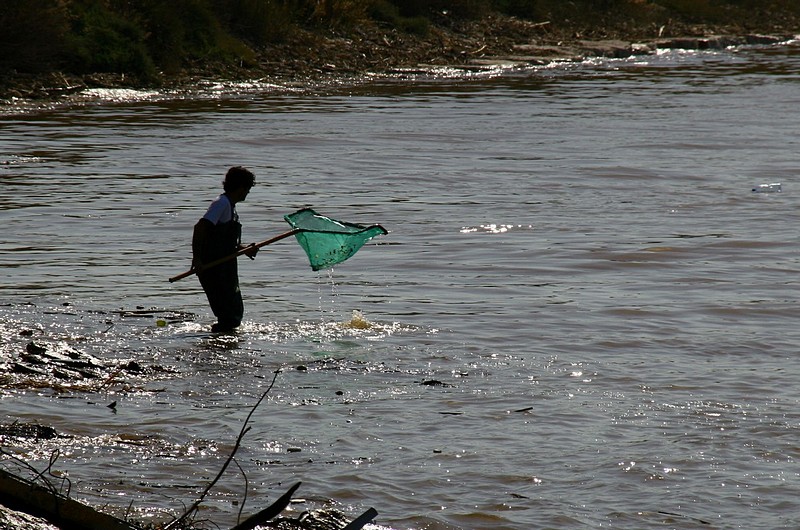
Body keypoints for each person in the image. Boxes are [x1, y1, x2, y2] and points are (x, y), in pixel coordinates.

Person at [192, 166, 258, 333]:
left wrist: (244, 249)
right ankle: (219, 340)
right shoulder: (221, 204)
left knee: (233, 312)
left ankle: (221, 341)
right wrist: (197, 259)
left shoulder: (230, 206)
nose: (248, 193)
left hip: (225, 266)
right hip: (213, 266)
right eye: (248, 189)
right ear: (241, 188)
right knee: (228, 314)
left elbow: (223, 241)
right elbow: (200, 228)